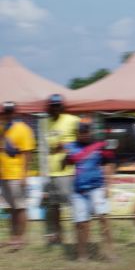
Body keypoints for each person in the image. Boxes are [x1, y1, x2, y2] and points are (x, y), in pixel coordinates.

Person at [64, 121, 115, 260]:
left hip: (97, 187)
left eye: (87, 131)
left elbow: (109, 164)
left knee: (103, 218)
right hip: (79, 191)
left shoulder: (100, 146)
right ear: (78, 133)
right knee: (81, 223)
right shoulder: (71, 146)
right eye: (82, 132)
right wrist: (65, 156)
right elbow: (66, 163)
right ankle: (82, 254)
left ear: (91, 132)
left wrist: (108, 186)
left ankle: (110, 251)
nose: (85, 134)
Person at [44, 94, 80, 245]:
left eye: (58, 105)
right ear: (49, 107)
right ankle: (58, 236)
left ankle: (78, 237)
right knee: (53, 207)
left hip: (67, 171)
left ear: (62, 106)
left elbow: (84, 139)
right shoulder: (45, 122)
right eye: (53, 105)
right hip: (51, 171)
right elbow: (48, 144)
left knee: (72, 205)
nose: (56, 108)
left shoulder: (73, 120)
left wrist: (66, 144)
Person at [0, 101, 36, 250]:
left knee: (20, 207)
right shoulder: (2, 128)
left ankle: (21, 239)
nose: (7, 114)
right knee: (11, 208)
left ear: (15, 112)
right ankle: (13, 237)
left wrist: (24, 176)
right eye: (5, 112)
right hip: (4, 174)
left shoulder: (22, 129)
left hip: (16, 175)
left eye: (10, 112)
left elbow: (27, 153)